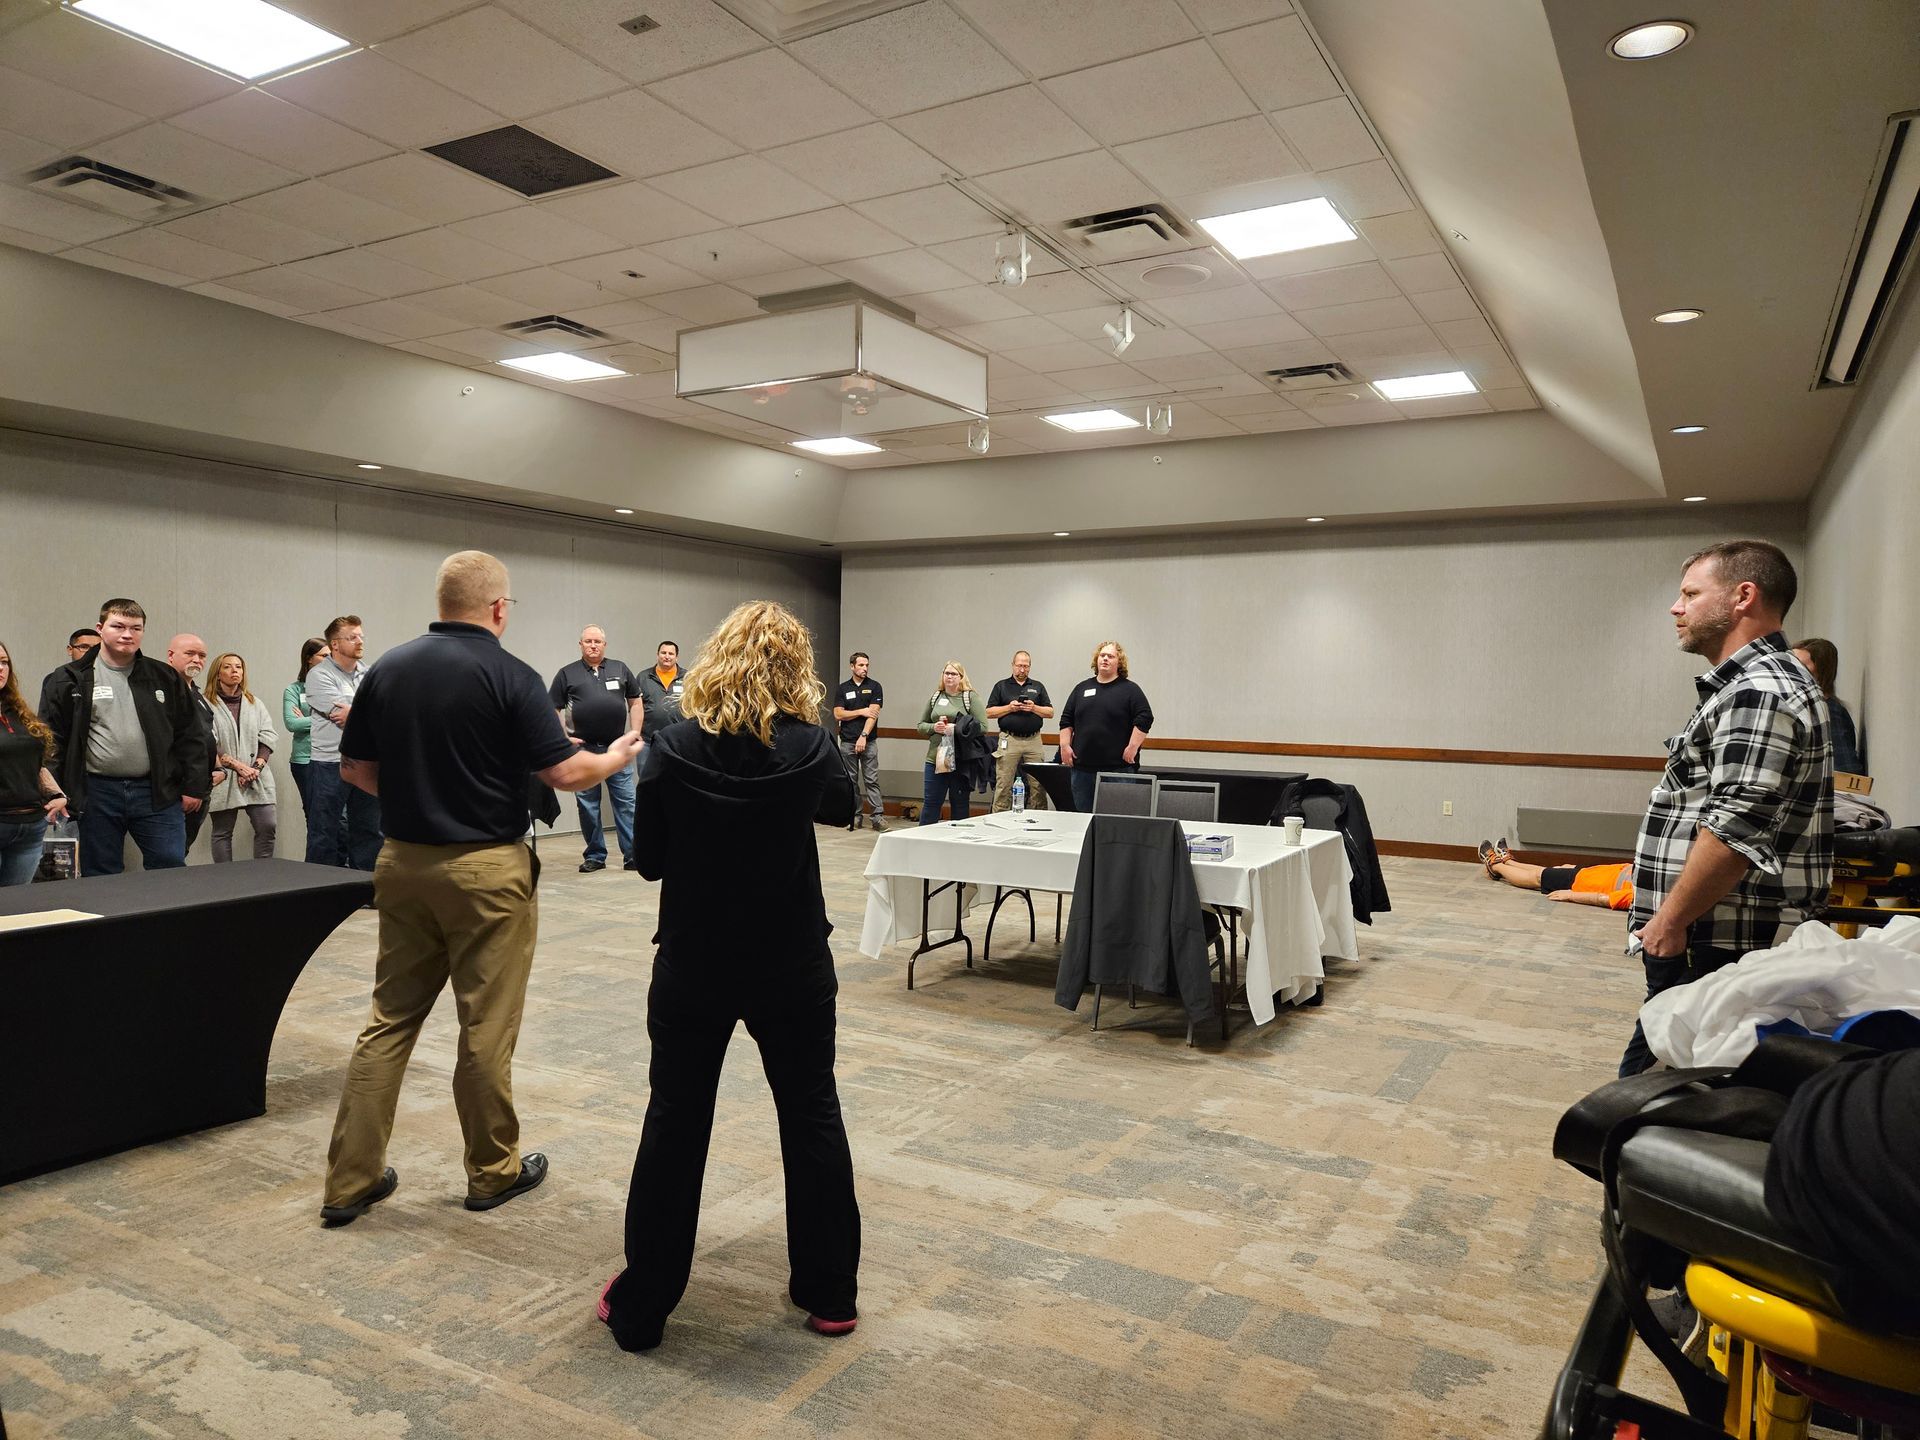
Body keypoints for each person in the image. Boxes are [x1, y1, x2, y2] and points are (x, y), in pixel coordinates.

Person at [320, 551, 641, 1226]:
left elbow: (354, 769)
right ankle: (492, 1171)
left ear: (442, 602)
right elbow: (563, 774)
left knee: (388, 1021)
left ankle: (350, 1180)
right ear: (498, 607)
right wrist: (614, 757)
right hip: (486, 870)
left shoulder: (388, 669)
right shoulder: (510, 674)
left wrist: (416, 797)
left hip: (403, 862)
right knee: (485, 1025)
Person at [598, 599, 859, 1352]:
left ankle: (644, 1305)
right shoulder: (812, 746)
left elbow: (650, 861)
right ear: (794, 669)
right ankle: (829, 1294)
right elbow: (843, 807)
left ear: (715, 662)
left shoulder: (674, 746)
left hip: (695, 960)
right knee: (811, 1114)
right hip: (792, 961)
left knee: (676, 1121)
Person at [1621, 540, 1833, 1077]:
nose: (1676, 607)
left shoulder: (1758, 692)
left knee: (1644, 1101)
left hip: (1719, 938)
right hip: (1718, 933)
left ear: (1743, 596)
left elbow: (1734, 830)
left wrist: (1668, 921)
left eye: (1691, 594)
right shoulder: (1756, 685)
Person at [41, 599, 211, 875]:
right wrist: (55, 791)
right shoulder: (68, 678)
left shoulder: (164, 676)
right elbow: (53, 740)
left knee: (170, 864)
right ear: (100, 629)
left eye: (136, 628)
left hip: (157, 790)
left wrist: (194, 786)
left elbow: (190, 734)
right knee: (101, 873)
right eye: (118, 626)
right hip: (96, 792)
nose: (127, 634)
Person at [549, 625, 642, 873]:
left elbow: (635, 701)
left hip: (616, 749)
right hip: (583, 751)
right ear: (580, 644)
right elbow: (553, 707)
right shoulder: (567, 673)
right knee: (588, 806)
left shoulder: (620, 668)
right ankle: (595, 856)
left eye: (597, 641)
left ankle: (632, 855)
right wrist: (562, 738)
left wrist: (634, 732)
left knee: (626, 804)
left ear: (605, 645)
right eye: (588, 641)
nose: (593, 645)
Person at [305, 614, 380, 870]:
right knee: (325, 831)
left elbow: (385, 710)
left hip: (366, 761)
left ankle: (364, 885)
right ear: (335, 644)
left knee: (369, 830)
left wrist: (357, 712)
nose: (360, 641)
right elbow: (340, 716)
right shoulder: (319, 675)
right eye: (353, 637)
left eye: (361, 636)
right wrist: (370, 712)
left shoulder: (370, 674)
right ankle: (318, 887)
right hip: (329, 763)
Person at [0, 639, 69, 886]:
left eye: (4, 662)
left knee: (17, 905)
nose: (0, 668)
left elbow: (34, 764)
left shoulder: (17, 712)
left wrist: (57, 794)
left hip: (29, 826)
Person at [1057, 641, 1155, 813]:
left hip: (1118, 770)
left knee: (1116, 820)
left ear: (1119, 662)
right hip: (1082, 770)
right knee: (1084, 819)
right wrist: (1064, 746)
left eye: (1110, 656)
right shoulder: (1082, 688)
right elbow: (1066, 720)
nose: (1105, 659)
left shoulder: (1130, 690)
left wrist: (1133, 746)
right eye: (1102, 655)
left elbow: (1145, 718)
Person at [205, 652, 277, 862]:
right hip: (224, 774)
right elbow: (207, 740)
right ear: (217, 673)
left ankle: (263, 873)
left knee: (267, 825)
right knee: (222, 831)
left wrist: (255, 768)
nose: (234, 671)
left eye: (238, 667)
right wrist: (238, 767)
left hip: (256, 773)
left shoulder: (254, 703)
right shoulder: (207, 703)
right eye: (227, 667)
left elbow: (268, 735)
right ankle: (225, 876)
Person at [915, 661, 986, 825]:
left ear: (961, 677)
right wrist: (934, 727)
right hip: (937, 757)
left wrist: (957, 728)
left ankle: (959, 838)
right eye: (946, 673)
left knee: (960, 805)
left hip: (961, 759)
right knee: (931, 803)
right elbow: (920, 726)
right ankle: (924, 836)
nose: (949, 677)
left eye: (954, 674)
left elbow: (983, 727)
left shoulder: (970, 698)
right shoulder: (936, 697)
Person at [167, 633, 220, 853]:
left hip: (201, 786)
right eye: (190, 653)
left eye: (202, 656)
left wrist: (218, 768)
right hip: (179, 789)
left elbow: (206, 736)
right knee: (171, 853)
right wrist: (190, 787)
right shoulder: (164, 692)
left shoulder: (197, 694)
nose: (196, 660)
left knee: (183, 849)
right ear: (171, 655)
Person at [1478, 839, 1633, 909]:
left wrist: (1570, 895)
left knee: (1538, 877)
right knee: (1551, 870)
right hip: (1588, 874)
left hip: (1580, 884)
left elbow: (1604, 899)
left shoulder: (1641, 897)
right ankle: (1508, 862)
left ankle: (1495, 866)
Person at [987, 650, 1053, 812]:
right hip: (1009, 740)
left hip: (1034, 741)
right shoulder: (1001, 686)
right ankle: (999, 817)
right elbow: (988, 712)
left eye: (1026, 666)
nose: (1022, 669)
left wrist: (1034, 707)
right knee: (1004, 783)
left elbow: (1050, 712)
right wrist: (1009, 708)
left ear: (1030, 667)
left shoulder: (1038, 686)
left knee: (1038, 785)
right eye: (1019, 666)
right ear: (1012, 665)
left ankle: (1039, 818)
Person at [1791, 637, 1864, 776]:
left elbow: (1847, 773)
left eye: (1801, 667)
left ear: (1821, 673)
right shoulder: (1805, 709)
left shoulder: (1828, 712)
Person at [832, 651, 885, 830]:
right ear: (852, 666)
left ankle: (877, 817)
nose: (865, 668)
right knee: (851, 781)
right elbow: (838, 714)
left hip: (868, 741)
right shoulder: (843, 688)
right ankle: (855, 816)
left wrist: (863, 736)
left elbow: (873, 714)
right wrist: (861, 711)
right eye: (861, 665)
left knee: (871, 779)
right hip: (847, 742)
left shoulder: (875, 686)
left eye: (867, 665)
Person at [284, 638, 324, 820]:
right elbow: (292, 723)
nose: (330, 660)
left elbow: (347, 719)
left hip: (334, 758)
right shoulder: (294, 690)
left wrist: (307, 720)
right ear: (309, 658)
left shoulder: (336, 687)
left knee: (341, 818)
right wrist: (326, 718)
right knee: (314, 814)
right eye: (324, 656)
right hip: (305, 760)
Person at [37, 628, 99, 717]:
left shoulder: (107, 677)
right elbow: (47, 718)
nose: (91, 653)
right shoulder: (56, 679)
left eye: (97, 648)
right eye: (84, 647)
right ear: (70, 650)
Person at [636, 640, 688, 740]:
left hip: (678, 739)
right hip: (648, 739)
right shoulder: (643, 677)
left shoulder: (688, 677)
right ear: (657, 655)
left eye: (671, 654)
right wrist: (636, 733)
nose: (667, 656)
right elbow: (636, 707)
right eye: (663, 653)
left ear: (676, 657)